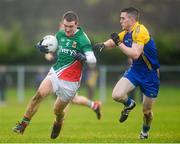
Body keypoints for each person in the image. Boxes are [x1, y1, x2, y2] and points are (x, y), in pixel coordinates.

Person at [13, 11, 99, 139]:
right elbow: (51, 46)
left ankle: (59, 121)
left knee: (57, 111)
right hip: (56, 73)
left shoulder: (82, 39)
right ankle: (23, 124)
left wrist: (83, 58)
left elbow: (93, 59)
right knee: (38, 95)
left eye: (71, 26)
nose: (68, 29)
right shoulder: (60, 34)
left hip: (71, 82)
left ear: (77, 24)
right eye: (65, 26)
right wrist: (43, 47)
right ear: (62, 23)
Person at [95, 7, 160, 139]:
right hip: (135, 71)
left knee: (146, 112)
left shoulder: (140, 31)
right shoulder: (127, 32)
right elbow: (113, 41)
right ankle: (129, 104)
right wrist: (102, 45)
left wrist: (118, 43)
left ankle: (145, 132)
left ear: (132, 19)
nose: (120, 21)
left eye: (123, 18)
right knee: (116, 95)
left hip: (150, 75)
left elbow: (135, 54)